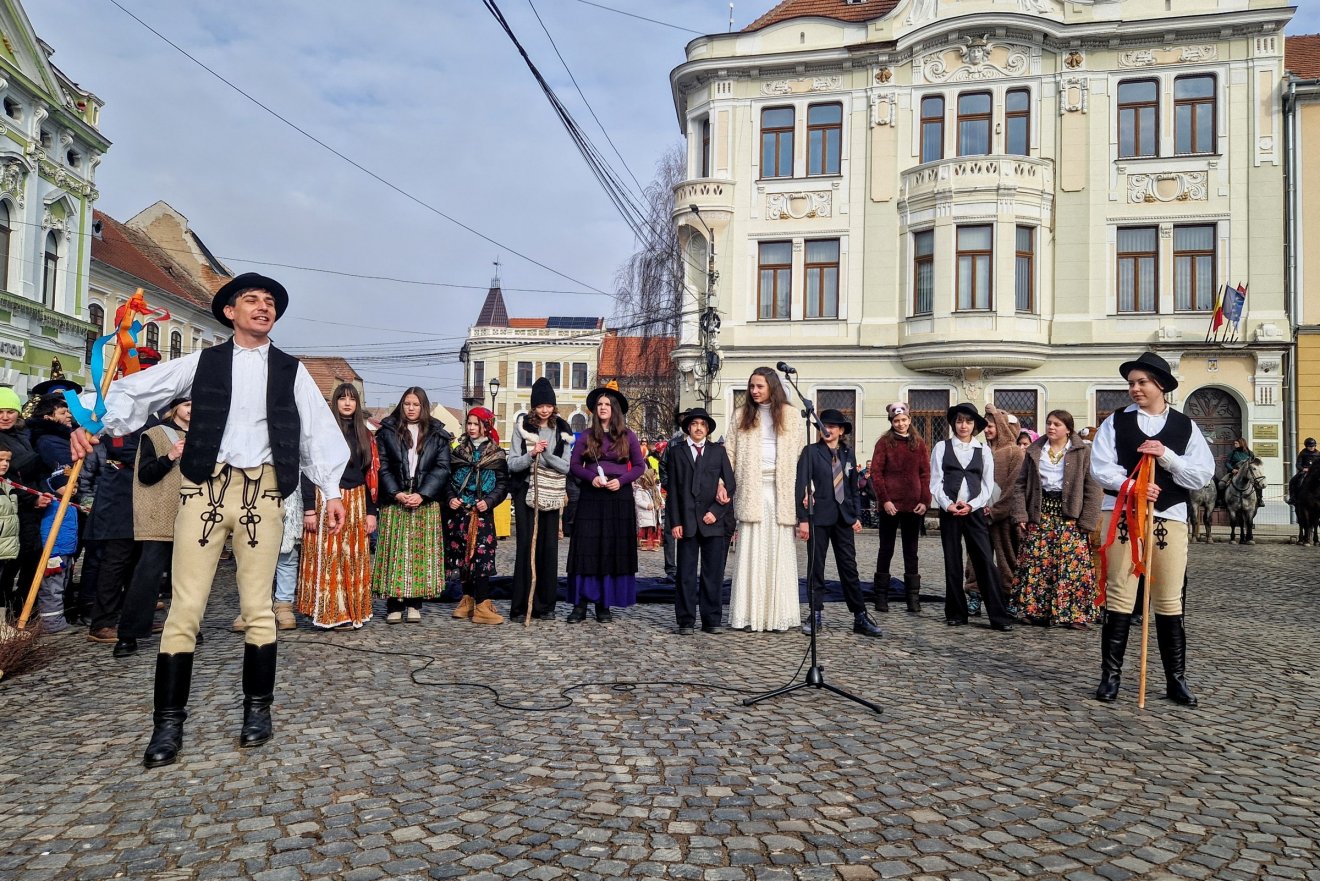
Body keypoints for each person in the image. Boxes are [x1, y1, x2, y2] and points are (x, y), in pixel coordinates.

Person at [70, 272, 350, 768]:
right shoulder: (202, 362)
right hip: (204, 491)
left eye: (269, 302)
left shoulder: (291, 370)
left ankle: (257, 713)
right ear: (230, 312)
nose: (262, 307)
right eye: (251, 300)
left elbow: (318, 429)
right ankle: (168, 724)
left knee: (259, 608)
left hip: (263, 493)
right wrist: (92, 421)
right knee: (185, 608)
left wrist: (330, 488)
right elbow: (140, 391)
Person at [1090, 351, 1215, 707]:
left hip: (1169, 517)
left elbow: (1201, 473)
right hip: (1123, 516)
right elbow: (1100, 468)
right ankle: (1110, 676)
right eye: (1131, 383)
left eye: (1142, 382)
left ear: (1161, 385)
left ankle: (1176, 679)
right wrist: (1133, 486)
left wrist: (1167, 456)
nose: (1135, 388)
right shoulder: (1115, 422)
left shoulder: (1184, 425)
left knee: (1169, 598)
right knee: (1119, 595)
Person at [726, 368, 805, 632]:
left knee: (778, 552)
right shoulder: (741, 416)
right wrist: (724, 483)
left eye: (759, 386)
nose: (754, 391)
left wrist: (804, 490)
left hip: (781, 490)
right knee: (751, 551)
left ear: (772, 386)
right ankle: (749, 614)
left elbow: (799, 455)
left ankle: (778, 615)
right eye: (751, 387)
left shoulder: (792, 416)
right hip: (751, 488)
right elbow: (730, 454)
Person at [1010, 410, 1103, 629]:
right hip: (1040, 514)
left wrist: (1087, 521)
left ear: (1068, 429)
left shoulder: (1082, 452)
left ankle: (1074, 615)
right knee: (1037, 564)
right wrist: (1021, 514)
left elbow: (1093, 488)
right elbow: (1020, 485)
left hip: (1070, 518)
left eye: (1057, 424)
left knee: (1073, 567)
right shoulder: (1035, 451)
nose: (1051, 427)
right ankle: (1035, 611)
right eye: (1049, 423)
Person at [114, 397, 191, 658]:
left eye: (196, 404)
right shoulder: (155, 434)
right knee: (148, 574)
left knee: (189, 576)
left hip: (193, 514)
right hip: (161, 514)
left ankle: (188, 627)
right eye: (187, 404)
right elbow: (145, 475)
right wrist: (170, 456)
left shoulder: (206, 434)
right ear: (174, 408)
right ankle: (128, 634)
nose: (192, 410)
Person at [796, 409, 884, 638]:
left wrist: (855, 515)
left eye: (833, 426)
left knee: (849, 568)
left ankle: (860, 615)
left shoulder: (848, 453)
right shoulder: (811, 452)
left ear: (841, 430)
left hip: (843, 519)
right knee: (816, 566)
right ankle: (815, 613)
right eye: (824, 425)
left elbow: (853, 487)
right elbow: (801, 486)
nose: (828, 429)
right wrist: (803, 519)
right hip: (818, 517)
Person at [296, 383, 377, 630]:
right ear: (335, 402)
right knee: (330, 556)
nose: (347, 403)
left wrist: (372, 512)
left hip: (358, 498)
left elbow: (371, 475)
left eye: (352, 399)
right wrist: (309, 508)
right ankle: (331, 613)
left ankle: (354, 611)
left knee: (353, 557)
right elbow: (308, 469)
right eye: (342, 398)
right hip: (326, 498)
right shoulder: (322, 432)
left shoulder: (366, 434)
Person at [930, 403, 1016, 632]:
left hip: (974, 511)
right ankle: (956, 612)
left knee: (985, 560)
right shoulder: (941, 447)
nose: (963, 426)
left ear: (974, 425)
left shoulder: (983, 450)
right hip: (950, 511)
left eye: (968, 422)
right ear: (953, 424)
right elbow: (936, 481)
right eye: (959, 421)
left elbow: (987, 486)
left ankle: (998, 615)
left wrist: (972, 504)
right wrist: (948, 505)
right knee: (953, 561)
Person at [566, 385, 645, 623]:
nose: (602, 408)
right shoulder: (587, 436)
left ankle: (604, 604)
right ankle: (579, 605)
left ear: (615, 409)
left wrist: (621, 482)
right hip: (592, 497)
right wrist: (593, 478)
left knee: (610, 550)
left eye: (607, 405)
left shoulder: (628, 436)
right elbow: (575, 465)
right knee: (586, 550)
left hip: (618, 500)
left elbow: (640, 466)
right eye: (599, 405)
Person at [372, 387, 451, 623]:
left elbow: (442, 467)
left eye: (416, 404)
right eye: (407, 404)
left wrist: (423, 494)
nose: (411, 408)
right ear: (401, 405)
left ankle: (415, 603)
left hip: (424, 501)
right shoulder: (387, 431)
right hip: (396, 499)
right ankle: (394, 604)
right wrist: (396, 492)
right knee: (395, 552)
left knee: (419, 554)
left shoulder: (437, 433)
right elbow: (382, 465)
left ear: (423, 406)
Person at [664, 407, 735, 635]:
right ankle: (685, 620)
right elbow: (673, 490)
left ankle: (711, 619)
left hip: (712, 520)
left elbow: (730, 485)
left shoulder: (717, 452)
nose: (698, 428)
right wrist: (674, 522)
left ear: (707, 429)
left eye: (702, 425)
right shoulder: (677, 452)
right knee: (685, 573)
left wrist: (716, 511)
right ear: (687, 428)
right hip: (686, 522)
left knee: (712, 573)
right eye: (694, 424)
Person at [508, 378, 572, 621]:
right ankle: (521, 606)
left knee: (548, 547)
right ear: (533, 407)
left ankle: (545, 605)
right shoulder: (522, 427)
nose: (544, 410)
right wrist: (530, 454)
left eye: (548, 405)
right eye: (540, 405)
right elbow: (513, 463)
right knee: (526, 546)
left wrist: (543, 454)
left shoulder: (563, 429)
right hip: (527, 491)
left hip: (552, 491)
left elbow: (565, 466)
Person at [445, 407, 509, 625]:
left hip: (481, 513)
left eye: (476, 424)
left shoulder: (496, 454)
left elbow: (502, 485)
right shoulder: (458, 452)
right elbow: (448, 480)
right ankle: (467, 601)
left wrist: (489, 501)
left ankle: (482, 605)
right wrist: (451, 497)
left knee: (480, 558)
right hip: (461, 512)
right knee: (463, 557)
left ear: (486, 426)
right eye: (469, 423)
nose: (471, 428)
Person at [869, 402, 930, 615]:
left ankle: (912, 598)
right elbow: (876, 473)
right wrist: (884, 500)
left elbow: (925, 473)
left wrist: (925, 499)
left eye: (904, 420)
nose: (901, 423)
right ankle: (881, 596)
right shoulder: (884, 443)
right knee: (886, 549)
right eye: (896, 420)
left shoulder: (919, 443)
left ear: (910, 420)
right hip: (890, 505)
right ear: (891, 422)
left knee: (911, 551)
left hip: (913, 504)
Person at [964, 406, 1026, 616]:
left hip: (1003, 517)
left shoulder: (1015, 453)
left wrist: (997, 510)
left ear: (1003, 428)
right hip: (979, 513)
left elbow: (1014, 486)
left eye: (991, 426)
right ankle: (974, 594)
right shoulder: (982, 451)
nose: (987, 430)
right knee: (976, 556)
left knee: (1007, 556)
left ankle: (1008, 597)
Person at [1289, 437, 1320, 503]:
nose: (1312, 447)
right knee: (1293, 480)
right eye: (1310, 446)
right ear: (1306, 446)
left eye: (1313, 446)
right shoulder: (1302, 453)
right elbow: (1298, 464)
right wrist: (1303, 469)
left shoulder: (1318, 454)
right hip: (1305, 471)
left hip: (1316, 472)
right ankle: (1292, 497)